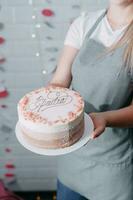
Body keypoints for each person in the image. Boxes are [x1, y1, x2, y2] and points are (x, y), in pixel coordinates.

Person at [47, 0, 133, 199]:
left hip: (113, 168)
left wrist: (103, 118)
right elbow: (60, 80)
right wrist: (45, 101)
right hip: (71, 155)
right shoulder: (84, 23)